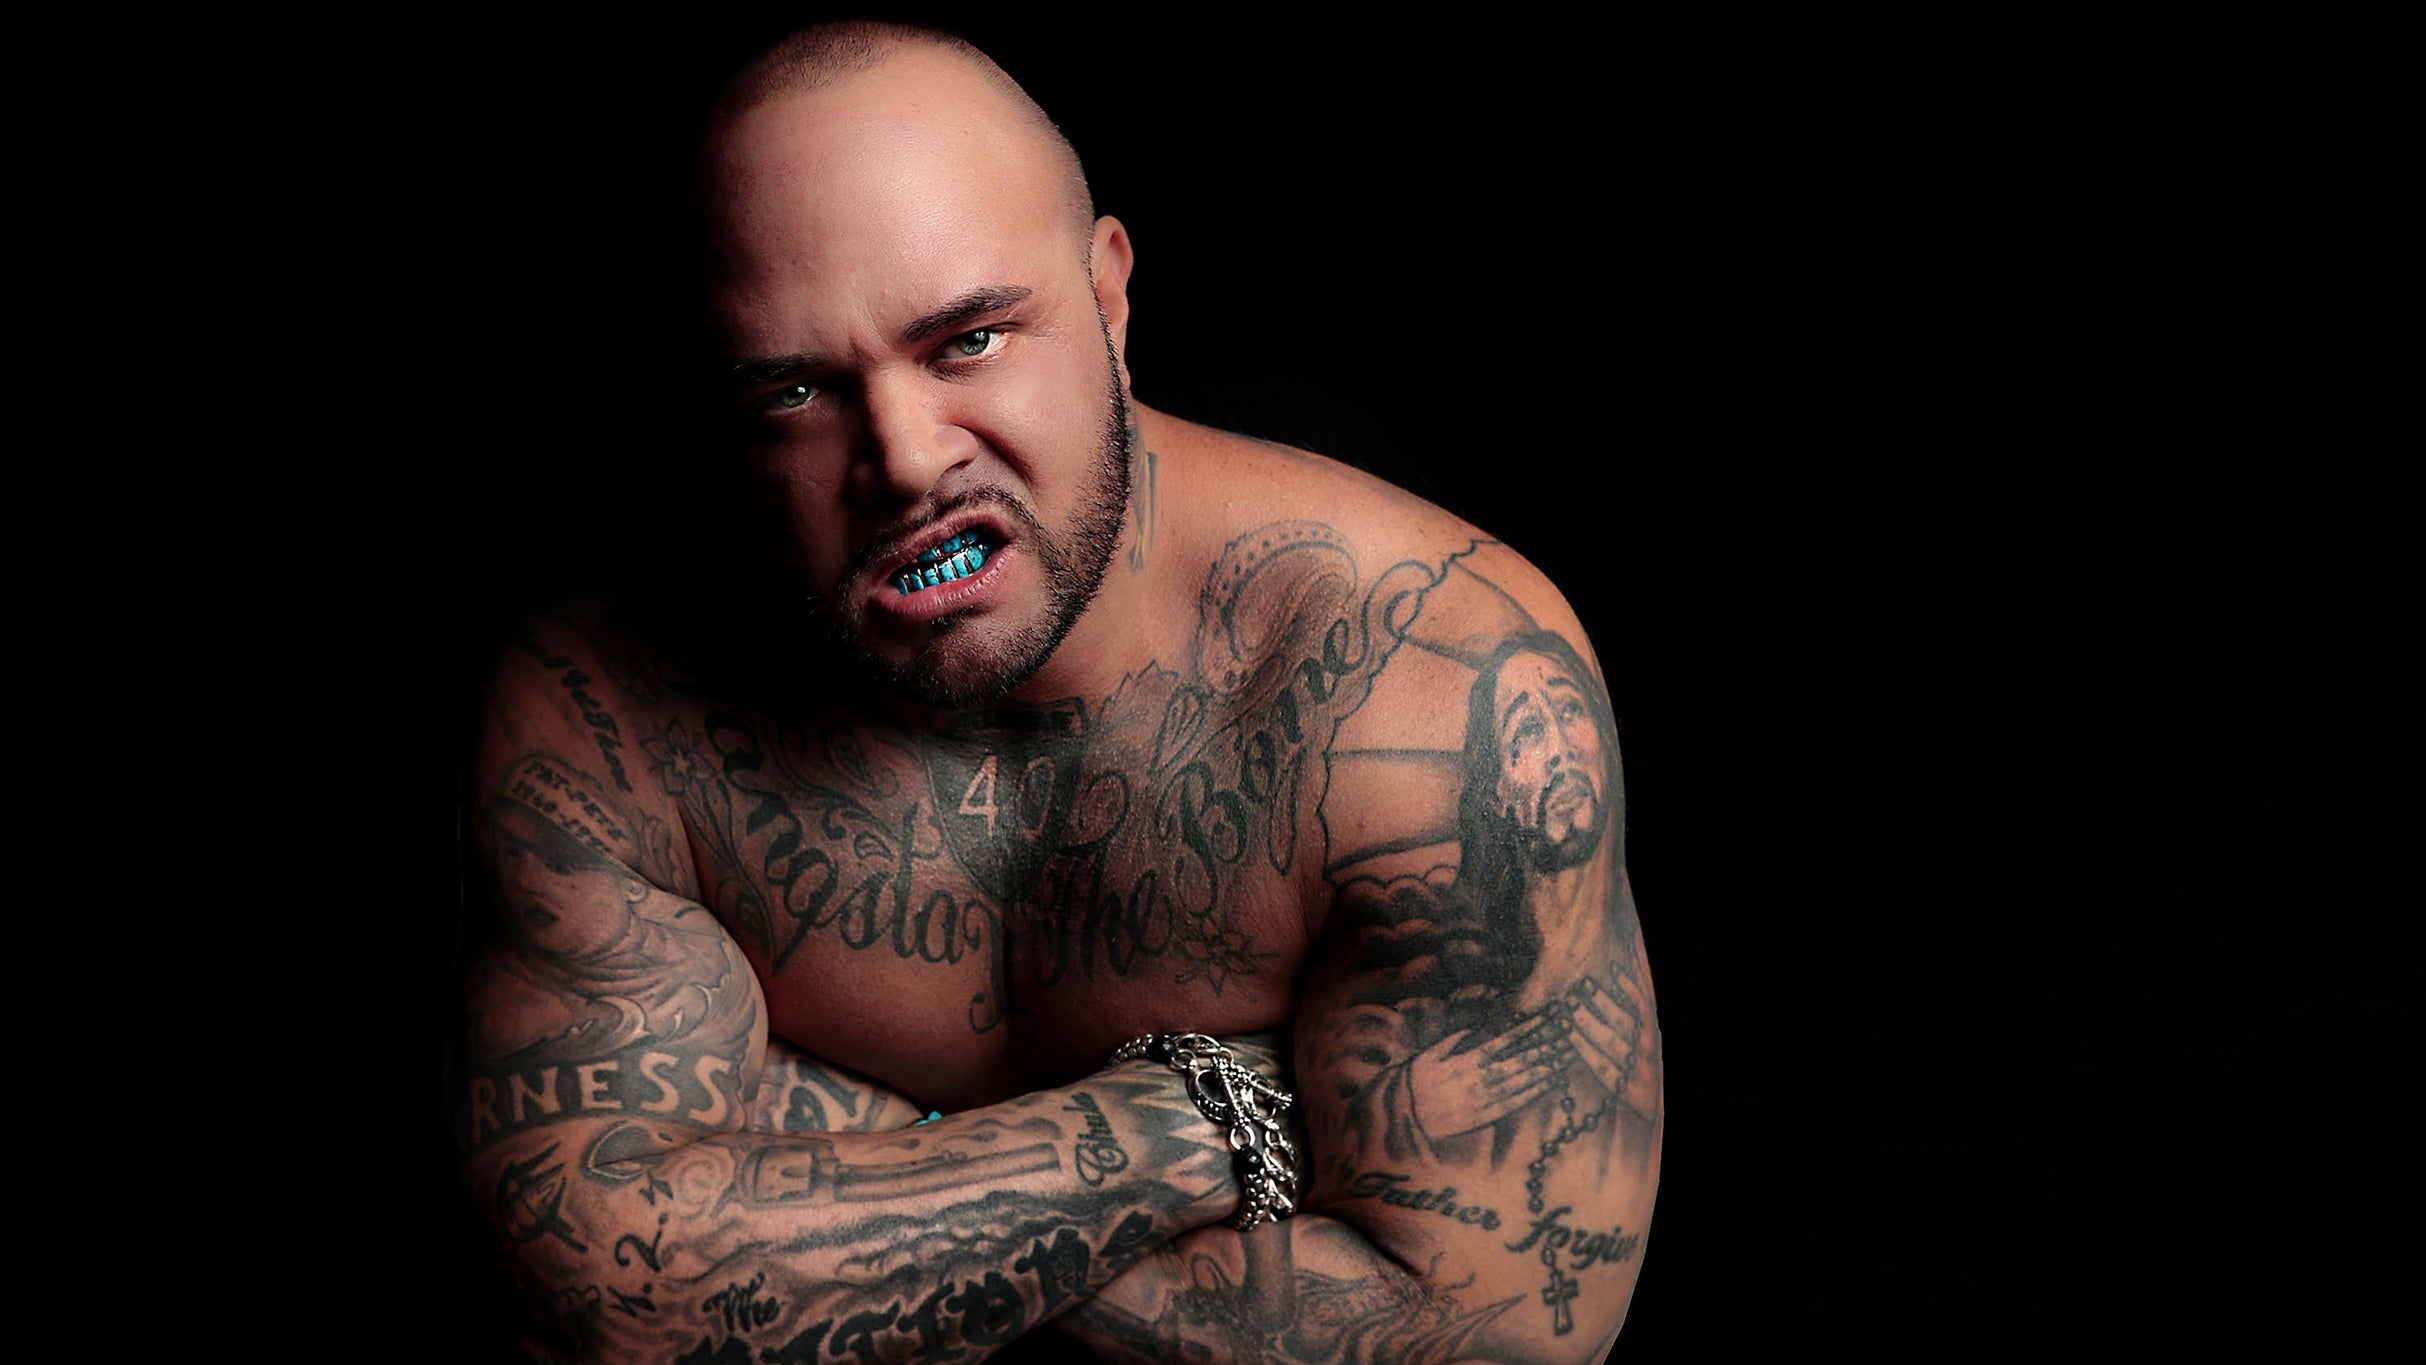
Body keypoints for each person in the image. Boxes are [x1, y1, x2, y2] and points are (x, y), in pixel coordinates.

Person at [451, 19, 1662, 1364]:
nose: (907, 460)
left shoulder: (1431, 690)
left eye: (969, 340)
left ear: (1109, 300)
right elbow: (604, 1305)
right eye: (796, 392)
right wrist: (1204, 1117)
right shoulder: (598, 715)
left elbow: (1486, 1336)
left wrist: (806, 1178)